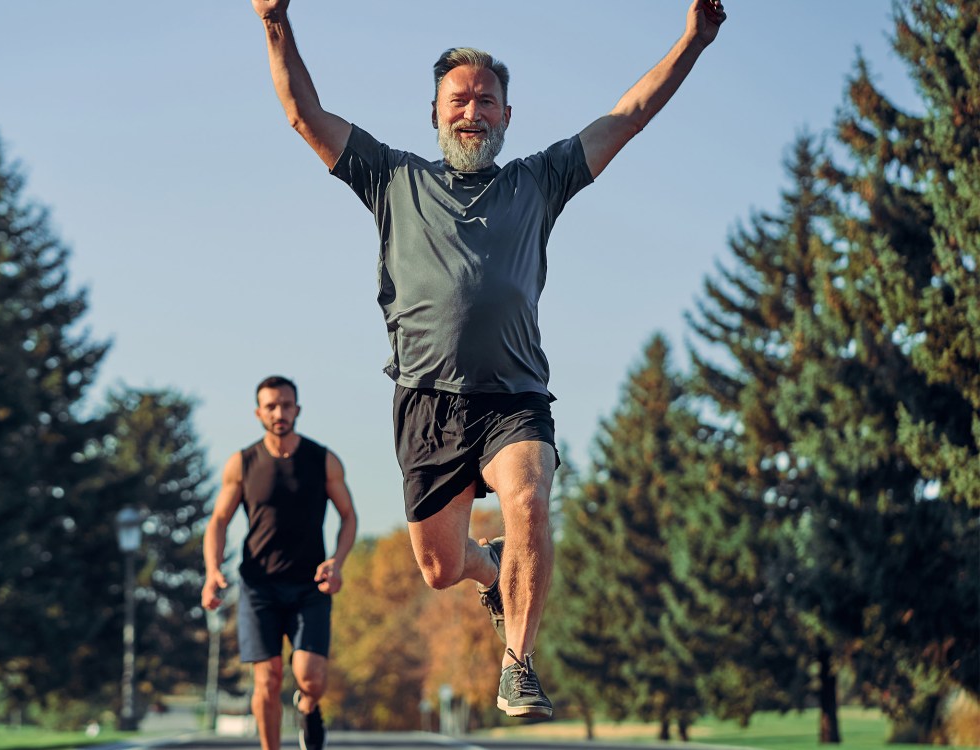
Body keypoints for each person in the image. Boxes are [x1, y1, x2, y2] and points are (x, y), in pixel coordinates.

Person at [249, 0, 726, 720]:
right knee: (441, 568)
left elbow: (629, 114)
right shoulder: (390, 177)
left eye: (486, 100)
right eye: (458, 99)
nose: (472, 110)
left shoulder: (541, 179)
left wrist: (692, 40)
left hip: (514, 397)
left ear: (507, 115)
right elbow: (302, 114)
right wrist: (274, 20)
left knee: (532, 498)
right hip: (427, 402)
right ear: (436, 114)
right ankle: (490, 564)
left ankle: (518, 664)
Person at [203, 375, 357, 750]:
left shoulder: (323, 460)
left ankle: (308, 706)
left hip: (310, 586)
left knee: (311, 677)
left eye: (286, 405)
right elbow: (218, 521)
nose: (279, 412)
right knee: (267, 679)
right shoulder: (242, 463)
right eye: (271, 406)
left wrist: (336, 562)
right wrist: (211, 572)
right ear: (258, 412)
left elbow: (348, 515)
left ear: (297, 409)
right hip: (259, 587)